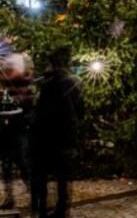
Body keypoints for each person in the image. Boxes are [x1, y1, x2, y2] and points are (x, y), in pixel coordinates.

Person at [31, 47, 83, 218]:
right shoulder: (74, 82)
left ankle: (44, 208)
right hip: (66, 135)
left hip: (48, 136)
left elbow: (42, 113)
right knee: (63, 175)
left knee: (43, 173)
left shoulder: (49, 84)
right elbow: (80, 109)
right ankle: (62, 208)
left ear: (52, 64)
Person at [0, 51, 33, 210]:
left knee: (24, 165)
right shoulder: (5, 86)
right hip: (6, 131)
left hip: (20, 130)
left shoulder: (25, 85)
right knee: (6, 167)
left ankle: (35, 196)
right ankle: (9, 198)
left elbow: (28, 108)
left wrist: (19, 100)